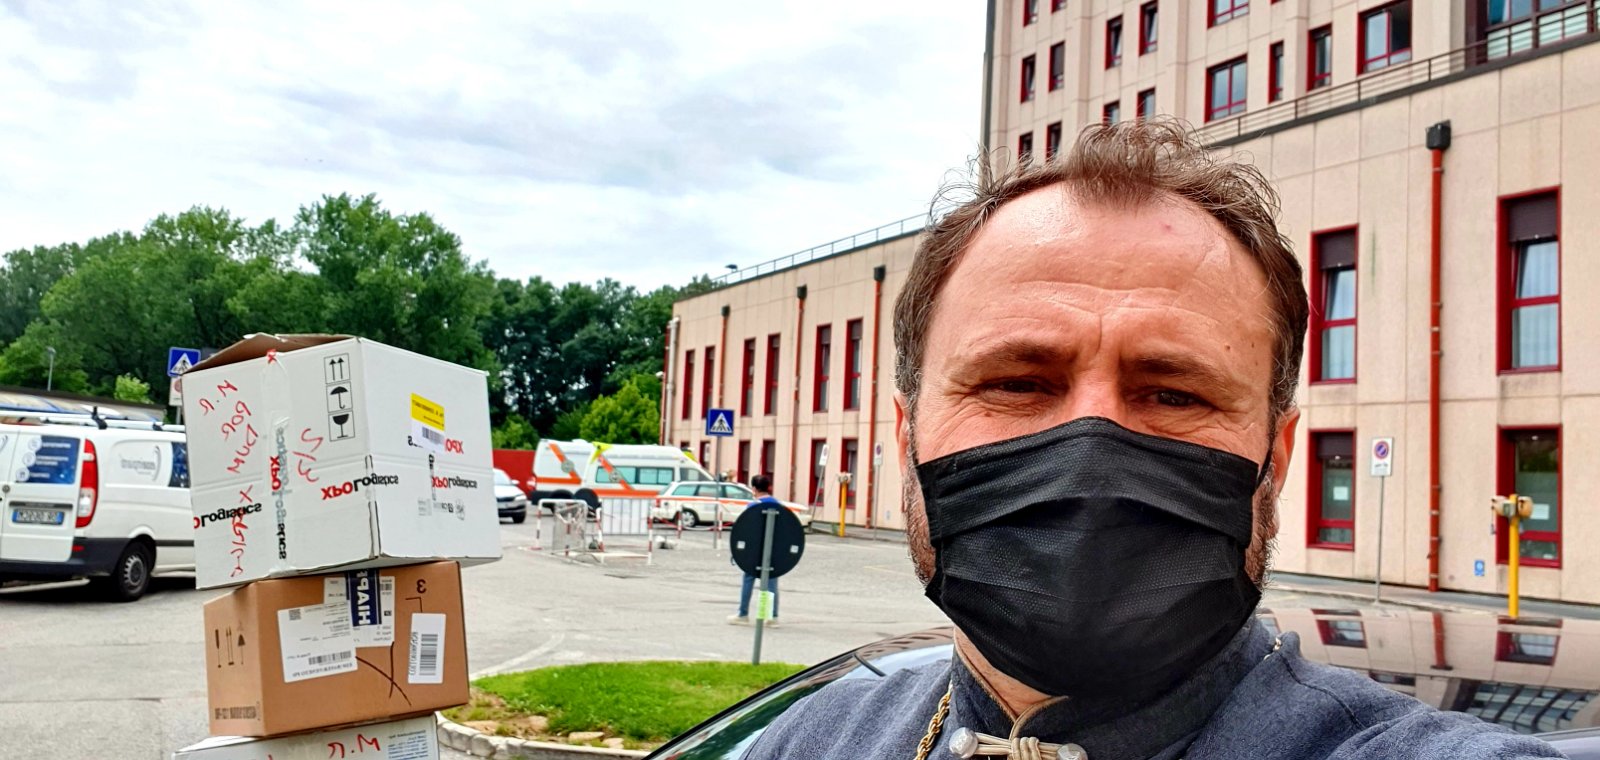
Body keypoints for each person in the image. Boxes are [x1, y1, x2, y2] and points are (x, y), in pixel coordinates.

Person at [743, 121, 1562, 759]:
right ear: (906, 437)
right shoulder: (812, 741)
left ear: (1275, 461)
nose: (1091, 446)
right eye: (1018, 383)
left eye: (1174, 394)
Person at [728, 473, 781, 627]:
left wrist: (738, 551)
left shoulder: (753, 506)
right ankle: (771, 616)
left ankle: (743, 614)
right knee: (771, 583)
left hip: (755, 551)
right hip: (773, 550)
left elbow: (747, 530)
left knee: (748, 579)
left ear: (754, 489)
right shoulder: (778, 505)